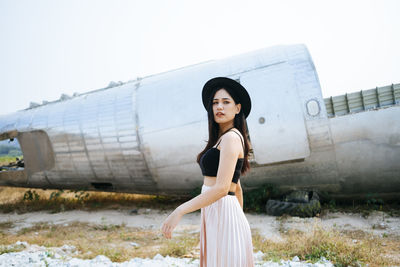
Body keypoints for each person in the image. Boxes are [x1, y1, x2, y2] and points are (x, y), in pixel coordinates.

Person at [161, 77, 254, 266]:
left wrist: (180, 210)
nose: (219, 107)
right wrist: (237, 217)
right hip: (219, 211)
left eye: (226, 102)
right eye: (215, 102)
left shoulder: (231, 138)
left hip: (223, 210)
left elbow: (222, 189)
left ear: (237, 108)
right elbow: (237, 187)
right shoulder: (224, 138)